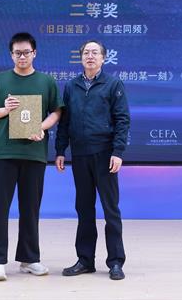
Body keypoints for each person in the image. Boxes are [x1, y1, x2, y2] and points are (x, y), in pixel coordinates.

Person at [0, 32, 63, 281]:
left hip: (34, 153)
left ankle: (29, 258)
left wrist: (41, 127)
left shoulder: (46, 81)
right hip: (3, 152)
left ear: (34, 53)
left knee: (30, 209)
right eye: (17, 53)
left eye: (26, 52)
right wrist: (5, 109)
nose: (22, 56)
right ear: (11, 54)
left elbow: (56, 112)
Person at [55, 40, 130, 281]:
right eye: (86, 53)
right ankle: (85, 260)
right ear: (80, 58)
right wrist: (60, 150)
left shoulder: (113, 84)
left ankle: (115, 262)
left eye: (94, 53)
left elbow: (122, 119)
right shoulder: (71, 86)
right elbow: (64, 122)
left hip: (105, 154)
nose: (90, 56)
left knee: (110, 209)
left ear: (103, 58)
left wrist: (118, 152)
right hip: (80, 155)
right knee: (84, 209)